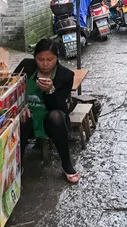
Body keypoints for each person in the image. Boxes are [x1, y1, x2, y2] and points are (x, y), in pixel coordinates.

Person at [15, 39, 80, 184]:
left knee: (56, 117)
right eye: (40, 59)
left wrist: (50, 91)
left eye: (50, 59)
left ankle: (66, 164)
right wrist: (21, 107)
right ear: (35, 58)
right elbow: (14, 89)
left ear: (57, 58)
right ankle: (17, 165)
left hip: (51, 120)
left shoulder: (65, 75)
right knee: (22, 119)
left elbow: (57, 105)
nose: (45, 64)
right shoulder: (26, 66)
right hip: (29, 117)